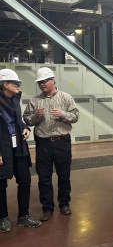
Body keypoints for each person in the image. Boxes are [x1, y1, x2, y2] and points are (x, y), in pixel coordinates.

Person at [23, 67, 79, 222]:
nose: (42, 84)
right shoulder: (35, 101)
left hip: (62, 142)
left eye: (44, 81)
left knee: (64, 176)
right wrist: (35, 117)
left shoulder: (66, 97)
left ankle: (64, 204)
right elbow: (26, 119)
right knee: (44, 178)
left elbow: (75, 116)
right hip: (43, 144)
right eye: (40, 82)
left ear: (53, 81)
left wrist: (63, 115)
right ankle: (47, 208)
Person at [0, 69, 41, 233]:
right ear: (5, 84)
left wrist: (25, 128)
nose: (18, 85)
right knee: (1, 184)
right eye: (15, 83)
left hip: (19, 148)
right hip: (3, 148)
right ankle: (2, 218)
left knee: (25, 181)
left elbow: (18, 122)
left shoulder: (15, 100)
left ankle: (23, 216)